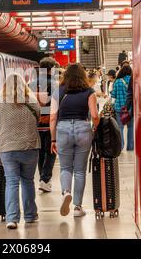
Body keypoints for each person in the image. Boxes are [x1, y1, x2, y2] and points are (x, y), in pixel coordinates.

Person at [0, 74, 41, 229]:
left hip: (8, 148)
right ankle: (30, 215)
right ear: (24, 86)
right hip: (30, 147)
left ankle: (12, 219)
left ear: (5, 86)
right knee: (28, 181)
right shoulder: (32, 101)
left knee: (12, 182)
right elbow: (37, 119)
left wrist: (3, 135)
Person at [50, 64, 100, 217]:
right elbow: (95, 115)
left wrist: (53, 139)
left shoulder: (58, 92)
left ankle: (66, 192)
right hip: (83, 129)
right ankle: (78, 207)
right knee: (79, 171)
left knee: (65, 168)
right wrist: (93, 128)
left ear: (65, 76)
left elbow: (52, 117)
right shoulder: (90, 92)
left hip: (63, 129)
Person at [28, 57, 59, 193]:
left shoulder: (30, 84)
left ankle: (43, 179)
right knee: (51, 152)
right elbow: (56, 105)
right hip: (49, 123)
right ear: (51, 69)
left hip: (36, 123)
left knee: (40, 152)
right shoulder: (55, 84)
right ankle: (45, 179)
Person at [111, 65, 134, 151]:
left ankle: (120, 146)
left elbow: (113, 94)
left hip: (119, 108)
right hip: (130, 108)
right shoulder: (133, 81)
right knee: (130, 127)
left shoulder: (117, 81)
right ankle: (130, 147)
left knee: (120, 127)